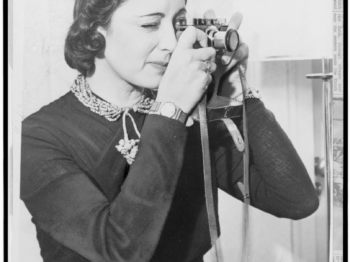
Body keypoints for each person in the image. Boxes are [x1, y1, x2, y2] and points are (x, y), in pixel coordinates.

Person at [20, 0, 319, 261]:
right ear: (95, 30)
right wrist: (170, 110)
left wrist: (239, 94)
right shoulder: (36, 137)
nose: (172, 44)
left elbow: (297, 200)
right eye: (149, 24)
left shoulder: (186, 111)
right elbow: (119, 251)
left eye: (178, 24)